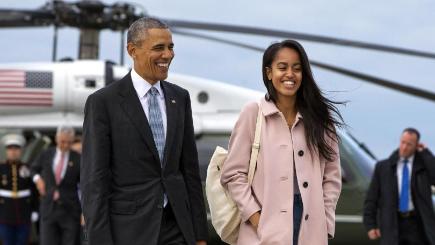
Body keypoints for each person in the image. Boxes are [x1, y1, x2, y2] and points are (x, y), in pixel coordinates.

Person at [81, 17, 208, 245]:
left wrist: (199, 235)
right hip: (128, 231)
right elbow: (95, 181)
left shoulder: (180, 98)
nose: (168, 55)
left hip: (176, 228)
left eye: (170, 47)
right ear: (132, 50)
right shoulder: (103, 103)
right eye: (159, 48)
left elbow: (189, 171)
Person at [220, 40, 343, 245]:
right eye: (282, 67)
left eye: (297, 68)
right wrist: (257, 219)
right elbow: (233, 174)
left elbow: (332, 176)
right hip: (262, 229)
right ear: (269, 73)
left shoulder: (321, 118)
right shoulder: (253, 113)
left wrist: (326, 221)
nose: (290, 74)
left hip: (310, 227)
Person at [363, 128, 435, 245]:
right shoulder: (383, 167)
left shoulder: (423, 168)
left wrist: (426, 153)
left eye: (409, 144)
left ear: (416, 146)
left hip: (417, 225)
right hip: (392, 223)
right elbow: (371, 198)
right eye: (403, 142)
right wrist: (370, 225)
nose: (404, 147)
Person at [31, 126, 81, 245]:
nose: (66, 145)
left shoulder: (78, 158)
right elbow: (33, 169)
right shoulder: (46, 154)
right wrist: (38, 180)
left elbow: (84, 184)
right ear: (56, 139)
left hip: (70, 210)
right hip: (49, 208)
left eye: (69, 142)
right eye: (63, 142)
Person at [0, 134, 37, 245]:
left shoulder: (27, 168)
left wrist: (35, 209)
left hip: (24, 212)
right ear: (7, 151)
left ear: (20, 151)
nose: (13, 152)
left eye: (16, 149)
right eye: (10, 149)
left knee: (22, 242)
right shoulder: (1, 168)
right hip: (4, 213)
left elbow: (33, 190)